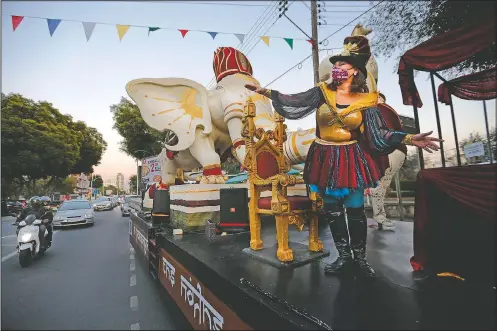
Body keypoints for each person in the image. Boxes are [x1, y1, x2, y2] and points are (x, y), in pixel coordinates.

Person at [245, 35, 442, 277]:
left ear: (355, 72)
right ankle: (343, 257)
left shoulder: (368, 100)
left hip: (351, 158)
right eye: (336, 65)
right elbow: (295, 100)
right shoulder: (321, 92)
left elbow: (378, 133)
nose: (337, 68)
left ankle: (359, 258)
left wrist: (410, 139)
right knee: (332, 209)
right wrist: (267, 92)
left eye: (343, 65)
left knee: (355, 210)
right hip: (324, 156)